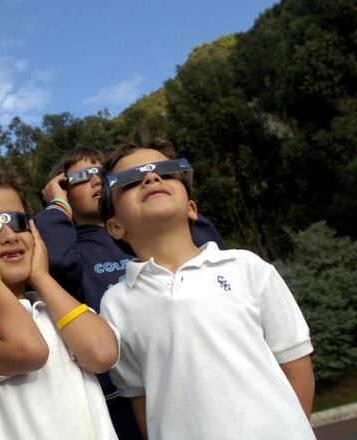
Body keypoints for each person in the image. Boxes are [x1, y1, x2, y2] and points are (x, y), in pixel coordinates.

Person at [98, 143, 316, 439]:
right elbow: (141, 398)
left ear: (191, 208)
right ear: (115, 226)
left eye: (165, 171)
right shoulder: (115, 304)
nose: (151, 179)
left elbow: (296, 366)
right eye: (129, 180)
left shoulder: (247, 267)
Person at [34, 144, 223, 439]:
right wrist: (56, 206)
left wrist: (164, 176)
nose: (97, 181)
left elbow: (205, 244)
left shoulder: (147, 232)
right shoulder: (74, 250)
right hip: (117, 394)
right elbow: (55, 259)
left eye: (104, 175)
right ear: (64, 190)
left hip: (188, 372)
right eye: (83, 176)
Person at [0, 166, 119, 440]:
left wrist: (42, 277)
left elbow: (101, 353)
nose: (9, 236)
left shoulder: (58, 309)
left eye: (18, 222)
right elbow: (30, 351)